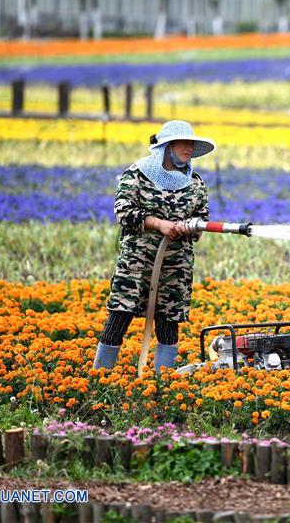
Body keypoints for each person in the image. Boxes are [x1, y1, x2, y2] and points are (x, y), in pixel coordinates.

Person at [92, 120, 214, 373]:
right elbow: (123, 213)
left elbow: (202, 219)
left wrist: (189, 227)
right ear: (167, 146)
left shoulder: (195, 183)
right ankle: (100, 377)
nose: (189, 147)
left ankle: (163, 382)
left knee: (169, 319)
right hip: (137, 261)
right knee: (121, 312)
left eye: (192, 143)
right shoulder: (137, 174)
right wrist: (159, 224)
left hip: (176, 263)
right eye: (185, 142)